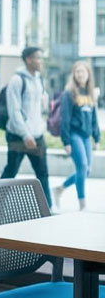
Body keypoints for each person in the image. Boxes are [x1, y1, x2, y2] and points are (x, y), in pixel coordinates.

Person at [1, 46, 51, 204]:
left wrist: (45, 103)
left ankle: (47, 208)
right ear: (28, 59)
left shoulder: (39, 79)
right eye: (38, 57)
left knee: (42, 173)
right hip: (18, 135)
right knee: (11, 171)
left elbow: (39, 108)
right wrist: (25, 135)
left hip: (37, 135)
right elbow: (14, 111)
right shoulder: (17, 80)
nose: (40, 61)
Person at [56, 62, 98, 211]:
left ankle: (60, 189)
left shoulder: (90, 93)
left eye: (83, 72)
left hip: (86, 136)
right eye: (77, 72)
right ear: (74, 74)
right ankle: (82, 204)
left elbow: (94, 117)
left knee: (86, 170)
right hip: (74, 135)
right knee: (82, 166)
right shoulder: (69, 93)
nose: (80, 74)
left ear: (88, 74)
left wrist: (96, 137)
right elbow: (65, 118)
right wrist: (66, 141)